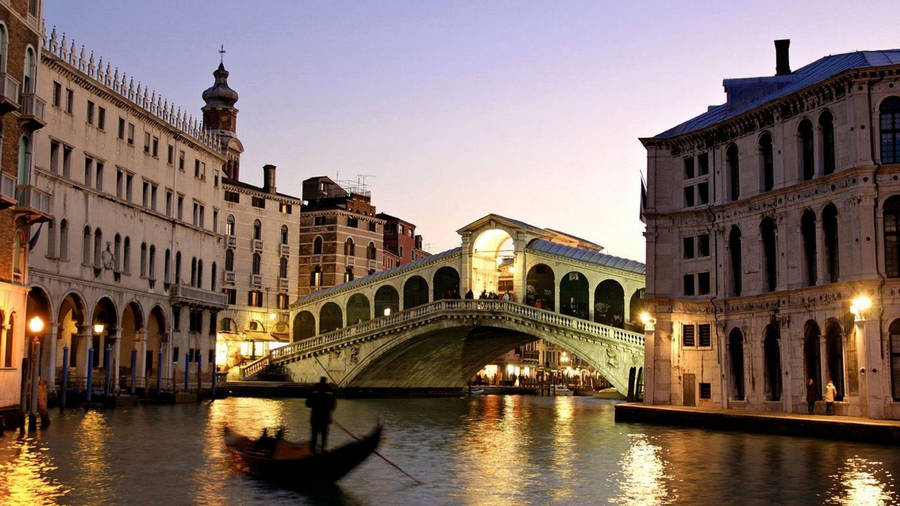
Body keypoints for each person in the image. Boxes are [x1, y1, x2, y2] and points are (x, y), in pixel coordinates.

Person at [306, 377, 336, 453]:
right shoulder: (330, 391)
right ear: (325, 382)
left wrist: (315, 405)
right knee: (324, 437)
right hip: (325, 419)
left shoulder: (314, 390)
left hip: (315, 418)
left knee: (314, 437)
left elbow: (308, 404)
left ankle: (313, 451)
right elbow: (333, 406)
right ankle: (323, 450)